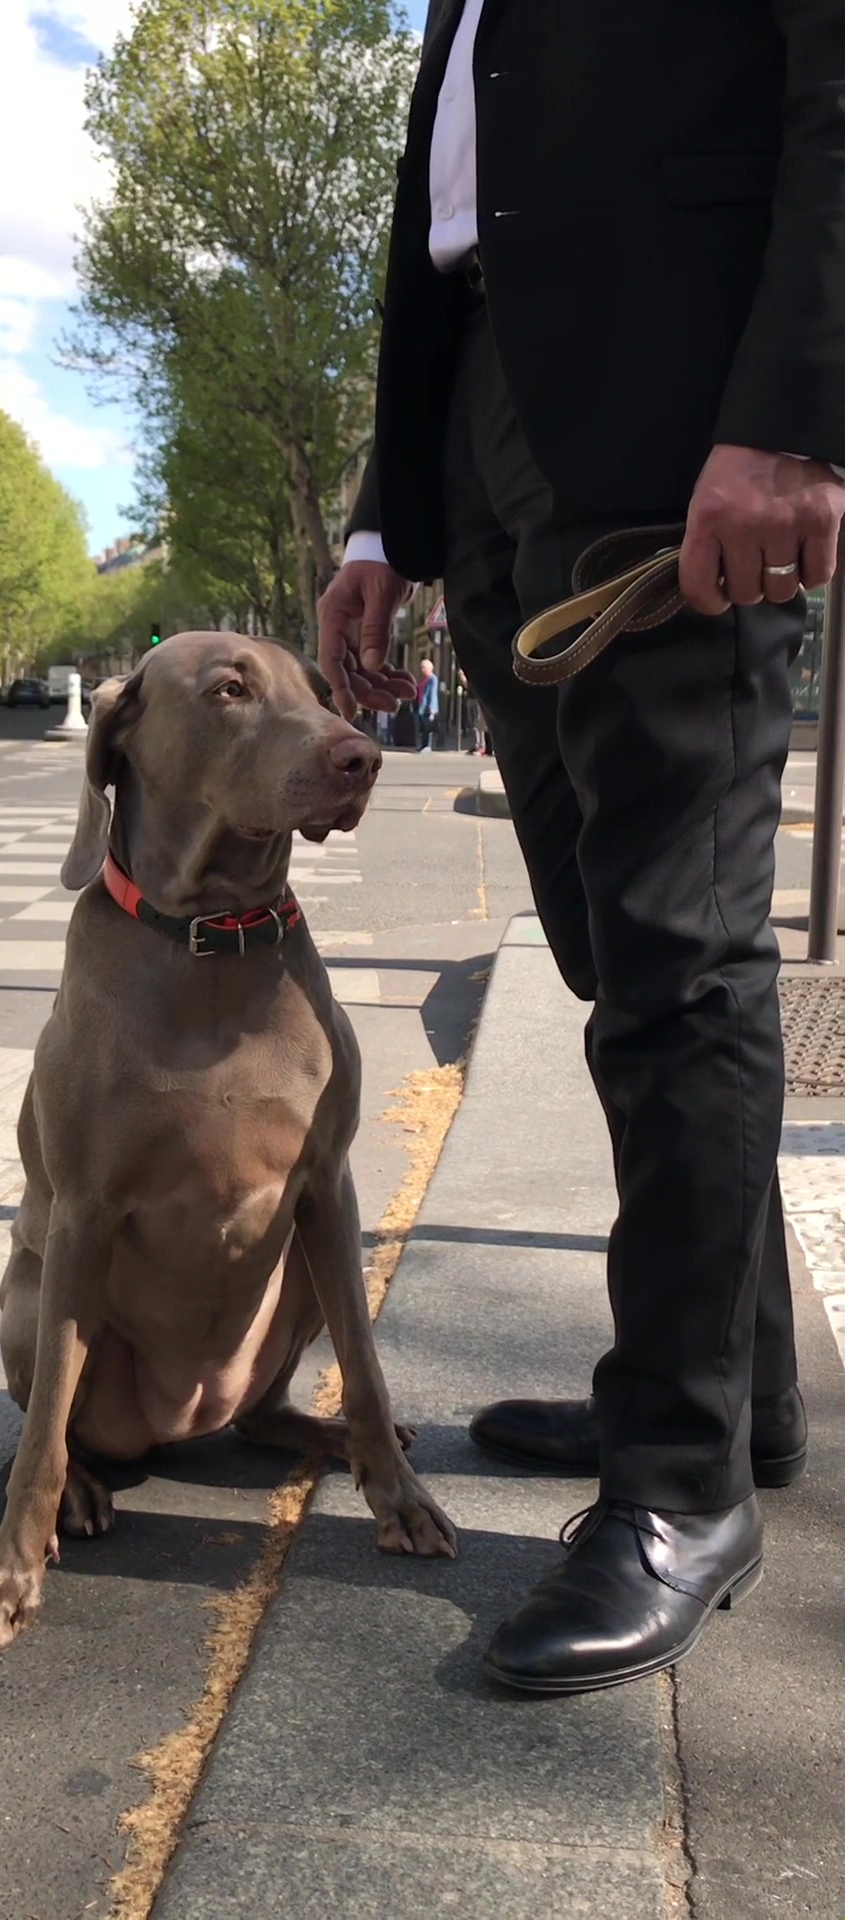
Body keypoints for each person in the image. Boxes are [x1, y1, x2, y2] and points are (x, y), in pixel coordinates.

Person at [318, 2, 845, 1696]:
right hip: (497, 421)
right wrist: (390, 513)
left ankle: (683, 1484)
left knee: (682, 954)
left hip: (686, 410)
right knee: (616, 951)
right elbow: (442, 219)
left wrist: (799, 411)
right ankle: (732, 1395)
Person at [415, 656, 440, 750]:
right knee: (422, 728)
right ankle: (423, 745)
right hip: (422, 706)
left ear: (429, 668)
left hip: (428, 707)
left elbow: (433, 693)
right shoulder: (424, 679)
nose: (422, 669)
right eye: (422, 667)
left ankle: (427, 746)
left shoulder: (433, 679)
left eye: (424, 667)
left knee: (428, 727)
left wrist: (432, 708)